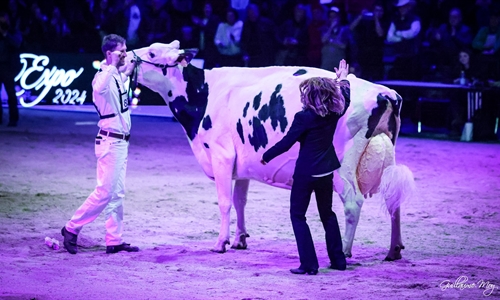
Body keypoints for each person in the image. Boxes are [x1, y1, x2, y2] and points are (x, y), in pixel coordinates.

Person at [260, 59, 351, 275]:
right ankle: (338, 261)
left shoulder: (303, 117)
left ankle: (310, 265)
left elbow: (286, 142)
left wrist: (266, 156)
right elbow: (346, 97)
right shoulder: (335, 112)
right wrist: (343, 78)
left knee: (298, 216)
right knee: (327, 214)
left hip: (306, 173)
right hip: (326, 171)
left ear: (310, 96)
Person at [61, 34, 139, 255]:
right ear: (108, 53)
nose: (124, 54)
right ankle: (71, 228)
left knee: (117, 193)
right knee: (104, 192)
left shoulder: (116, 76)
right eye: (120, 51)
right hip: (110, 141)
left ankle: (114, 240)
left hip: (120, 142)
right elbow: (100, 87)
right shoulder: (101, 77)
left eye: (125, 50)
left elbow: (123, 74)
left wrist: (125, 65)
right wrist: (113, 65)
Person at [0, 11, 22, 127]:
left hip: (8, 67)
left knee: (11, 94)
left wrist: (5, 34)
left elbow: (17, 44)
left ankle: (13, 119)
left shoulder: (13, 32)